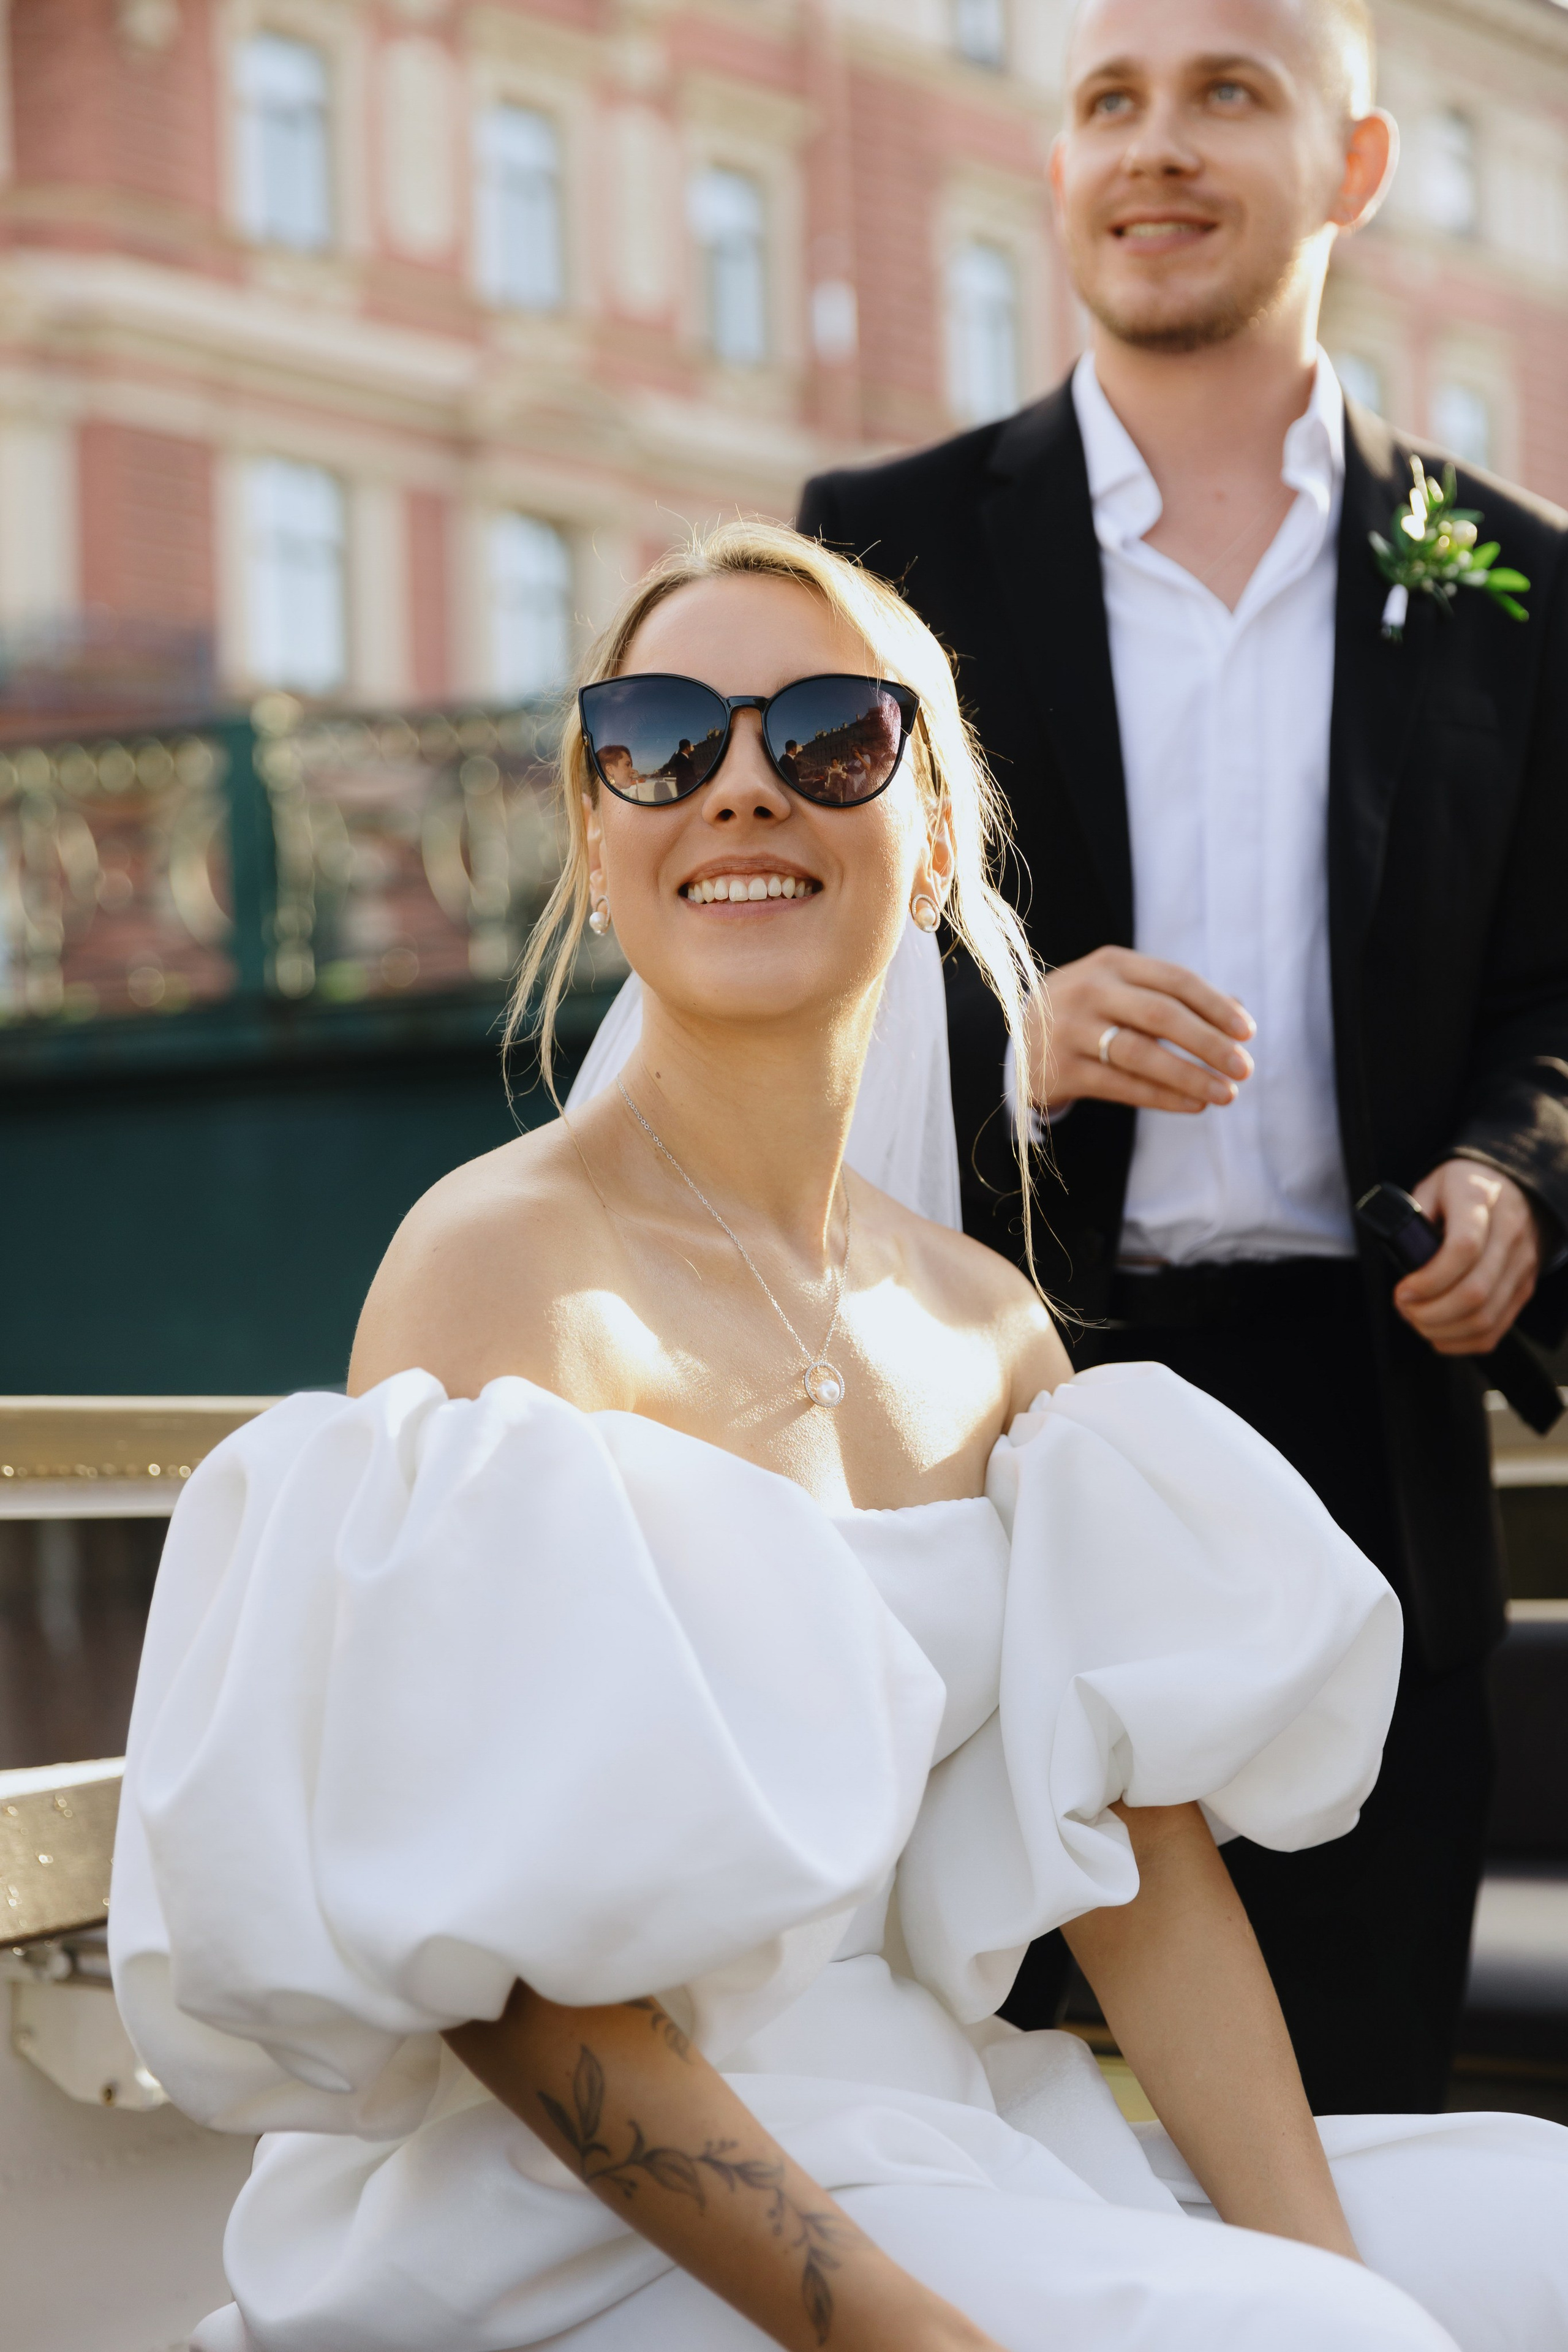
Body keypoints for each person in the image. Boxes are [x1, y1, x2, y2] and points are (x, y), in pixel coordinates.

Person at [111, 522, 1568, 2352]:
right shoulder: (501, 1270)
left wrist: (1325, 2267)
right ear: (595, 823)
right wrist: (896, 2333)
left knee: (1534, 2228)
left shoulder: (985, 1328)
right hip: (571, 2213)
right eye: (660, 737)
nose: (739, 789)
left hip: (937, 2130)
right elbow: (512, 1990)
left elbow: (1149, 1889)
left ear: (939, 831)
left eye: (826, 739)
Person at [797, 0, 1568, 2115]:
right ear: (1055, 171)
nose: (1157, 147)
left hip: (1375, 1422)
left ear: (1358, 164)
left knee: (1357, 2088)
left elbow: (1557, 998)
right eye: (1108, 103)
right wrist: (1011, 1038)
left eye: (1230, 92)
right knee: (995, 2079)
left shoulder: (1514, 579)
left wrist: (1521, 1176)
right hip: (1017, 1403)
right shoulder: (883, 544)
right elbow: (785, 957)